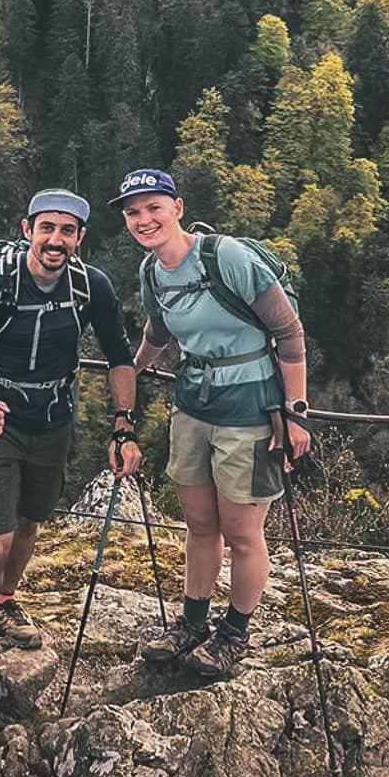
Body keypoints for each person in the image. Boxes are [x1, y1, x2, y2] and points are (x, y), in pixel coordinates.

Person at [105, 167, 313, 679]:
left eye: (154, 207)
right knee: (199, 525)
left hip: (250, 408)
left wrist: (297, 411)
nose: (143, 220)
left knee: (242, 532)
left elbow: (288, 333)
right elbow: (158, 334)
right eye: (133, 213)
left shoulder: (227, 258)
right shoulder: (153, 272)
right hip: (193, 405)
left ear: (177, 207)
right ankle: (192, 623)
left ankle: (234, 633)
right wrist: (128, 379)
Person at [0, 189, 138, 682]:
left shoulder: (90, 286)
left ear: (80, 237)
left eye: (67, 231)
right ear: (27, 229)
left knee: (31, 523)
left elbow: (120, 356)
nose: (56, 239)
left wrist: (123, 424)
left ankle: (6, 602)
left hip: (54, 422)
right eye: (47, 228)